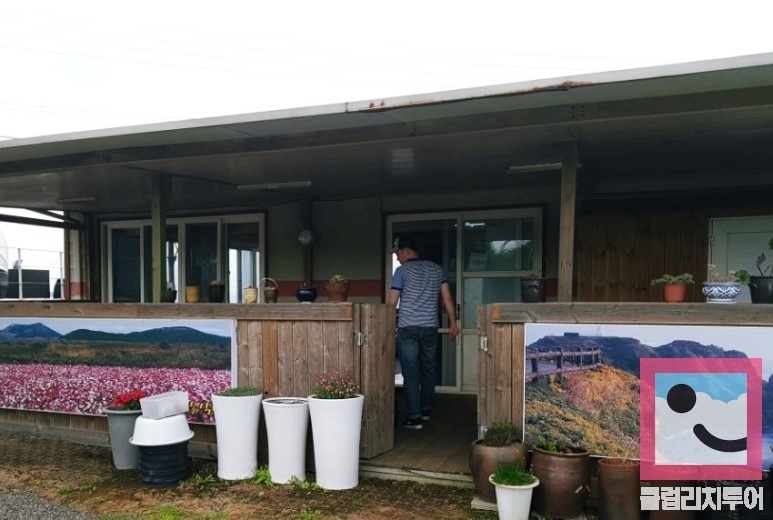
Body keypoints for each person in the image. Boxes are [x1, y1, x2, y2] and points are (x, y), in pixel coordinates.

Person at [387, 236, 459, 430]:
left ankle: (414, 417)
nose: (398, 258)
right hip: (430, 327)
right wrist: (453, 323)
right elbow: (447, 298)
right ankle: (426, 410)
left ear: (407, 251)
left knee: (411, 374)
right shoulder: (437, 269)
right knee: (429, 370)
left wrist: (386, 324)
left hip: (408, 327)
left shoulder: (401, 271)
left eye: (398, 253)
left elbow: (393, 301)